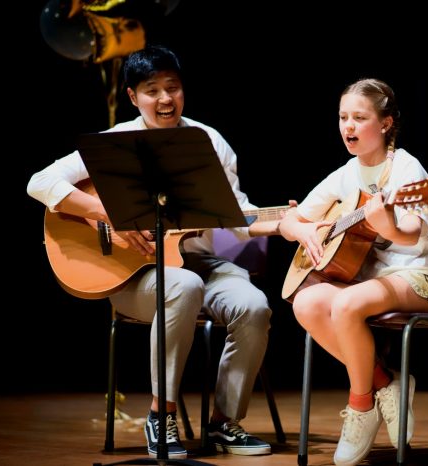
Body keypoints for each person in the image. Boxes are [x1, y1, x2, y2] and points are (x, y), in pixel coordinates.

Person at [27, 45, 279, 459]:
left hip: (198, 261)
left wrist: (286, 222)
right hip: (132, 275)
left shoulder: (209, 141)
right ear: (132, 96)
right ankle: (161, 415)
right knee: (183, 285)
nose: (165, 99)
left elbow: (236, 214)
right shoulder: (115, 143)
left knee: (253, 306)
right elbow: (40, 182)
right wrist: (106, 214)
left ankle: (223, 423)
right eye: (152, 90)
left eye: (173, 88)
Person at [278, 78, 428, 466]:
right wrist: (304, 228)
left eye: (359, 117)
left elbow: (408, 236)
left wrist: (384, 221)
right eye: (343, 118)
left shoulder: (406, 170)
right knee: (305, 302)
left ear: (386, 123)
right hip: (370, 284)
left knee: (345, 305)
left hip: (420, 276)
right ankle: (385, 383)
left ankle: (360, 407)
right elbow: (290, 220)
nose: (348, 127)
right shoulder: (346, 173)